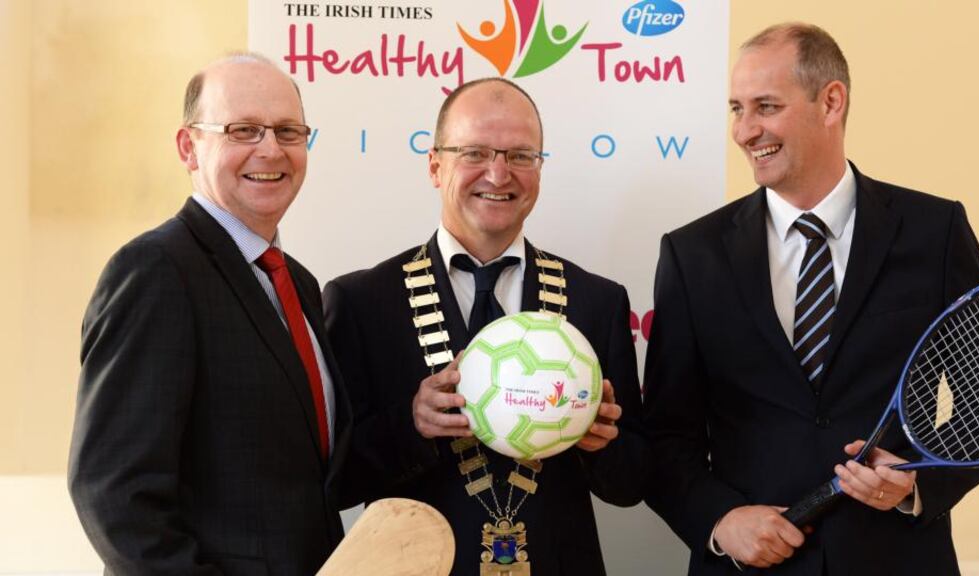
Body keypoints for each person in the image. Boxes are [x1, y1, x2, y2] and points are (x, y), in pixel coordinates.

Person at [643, 23, 979, 575]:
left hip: (899, 559)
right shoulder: (692, 254)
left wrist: (915, 484)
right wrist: (721, 520)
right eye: (736, 108)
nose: (744, 130)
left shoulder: (935, 230)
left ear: (831, 102)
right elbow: (665, 436)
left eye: (766, 107)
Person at [323, 77, 649, 575]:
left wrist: (598, 445)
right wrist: (412, 424)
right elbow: (335, 482)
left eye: (521, 156)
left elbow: (630, 486)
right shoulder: (363, 302)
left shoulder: (596, 300)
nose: (499, 174)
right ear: (435, 165)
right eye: (474, 152)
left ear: (539, 169)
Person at [68, 53, 352, 576]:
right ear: (189, 147)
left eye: (289, 131)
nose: (271, 149)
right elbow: (114, 495)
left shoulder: (299, 284)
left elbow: (305, 475)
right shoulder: (155, 271)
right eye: (243, 130)